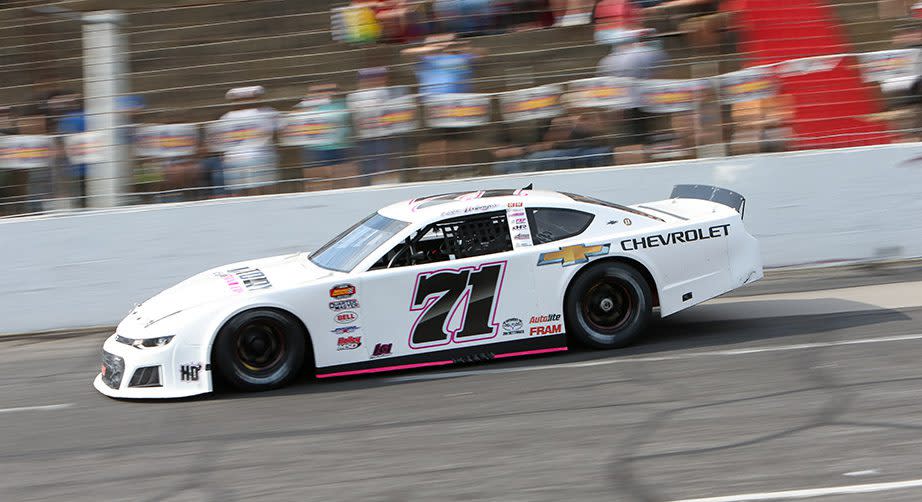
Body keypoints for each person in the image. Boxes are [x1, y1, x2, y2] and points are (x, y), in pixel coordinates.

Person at [597, 29, 667, 145]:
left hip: (626, 104)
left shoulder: (608, 60)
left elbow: (605, 85)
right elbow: (660, 74)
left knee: (632, 135)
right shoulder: (649, 53)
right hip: (645, 101)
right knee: (644, 133)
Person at [347, 67, 407, 184]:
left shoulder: (389, 92)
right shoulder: (355, 96)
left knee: (386, 165)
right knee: (369, 166)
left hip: (385, 136)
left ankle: (387, 185)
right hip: (365, 138)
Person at [218, 86, 280, 196]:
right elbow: (277, 129)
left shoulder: (226, 117)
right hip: (259, 156)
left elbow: (221, 140)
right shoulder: (266, 113)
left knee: (239, 193)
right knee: (264, 191)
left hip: (234, 158)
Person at [295, 83, 357, 191]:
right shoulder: (307, 105)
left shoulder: (342, 104)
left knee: (344, 180)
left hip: (340, 147)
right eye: (319, 91)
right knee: (318, 182)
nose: (326, 93)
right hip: (316, 149)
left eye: (332, 90)